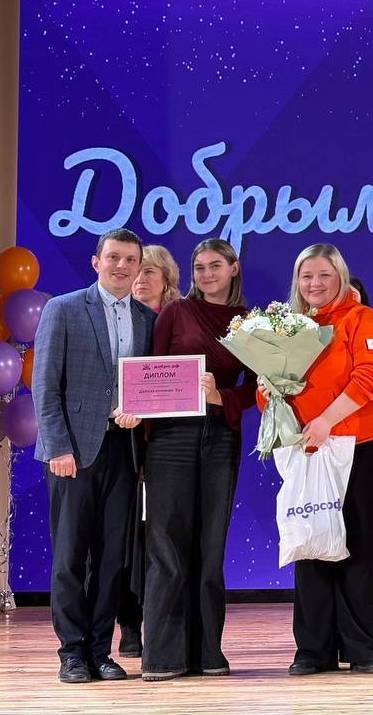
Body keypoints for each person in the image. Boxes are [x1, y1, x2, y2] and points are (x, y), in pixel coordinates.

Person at [258, 243, 373, 676]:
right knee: (310, 537)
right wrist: (269, 392)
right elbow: (271, 395)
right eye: (307, 276)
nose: (315, 284)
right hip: (308, 448)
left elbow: (372, 374)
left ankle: (362, 647)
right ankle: (313, 649)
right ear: (297, 282)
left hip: (360, 445)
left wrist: (327, 421)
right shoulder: (287, 327)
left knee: (357, 542)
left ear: (341, 278)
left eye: (324, 276)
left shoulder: (361, 318)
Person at [32, 228, 156, 684]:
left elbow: (149, 386)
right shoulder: (63, 309)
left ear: (139, 267)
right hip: (73, 453)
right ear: (96, 262)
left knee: (110, 559)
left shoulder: (147, 318)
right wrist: (58, 447)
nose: (122, 266)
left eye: (130, 260)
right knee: (70, 557)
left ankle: (101, 651)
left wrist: (140, 413)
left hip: (122, 451)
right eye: (114, 257)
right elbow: (45, 386)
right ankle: (71, 652)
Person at [140, 238, 256, 681]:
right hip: (170, 438)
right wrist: (143, 445)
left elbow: (257, 388)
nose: (206, 274)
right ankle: (163, 656)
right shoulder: (176, 312)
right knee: (167, 545)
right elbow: (149, 372)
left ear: (233, 268)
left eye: (215, 266)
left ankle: (208, 651)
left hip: (220, 436)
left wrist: (220, 396)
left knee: (210, 548)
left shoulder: (250, 323)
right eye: (200, 267)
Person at [116, 243, 181, 659]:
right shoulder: (119, 320)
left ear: (166, 280)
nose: (140, 278)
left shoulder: (176, 323)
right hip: (121, 443)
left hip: (165, 445)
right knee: (125, 539)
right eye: (137, 271)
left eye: (150, 272)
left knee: (161, 539)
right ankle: (128, 624)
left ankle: (163, 623)